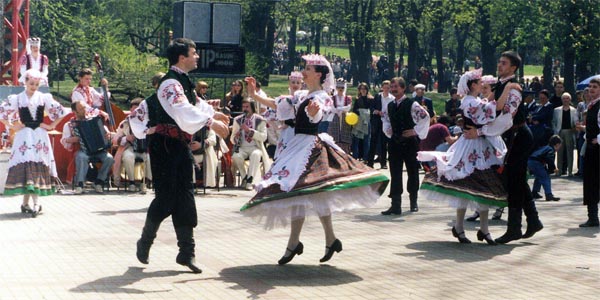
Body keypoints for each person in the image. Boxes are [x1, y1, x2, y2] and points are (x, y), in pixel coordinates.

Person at [240, 54, 389, 265]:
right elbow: (278, 103)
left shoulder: (321, 98)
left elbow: (318, 116)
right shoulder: (302, 94)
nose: (304, 71)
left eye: (308, 69)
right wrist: (254, 95)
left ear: (318, 74)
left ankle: (300, 242)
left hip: (310, 148)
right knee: (306, 194)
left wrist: (313, 114)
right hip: (295, 146)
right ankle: (323, 240)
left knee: (306, 192)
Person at [128, 38, 230, 273]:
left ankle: (186, 252)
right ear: (182, 57)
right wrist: (210, 122)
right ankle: (145, 241)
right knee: (166, 199)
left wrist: (214, 114)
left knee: (185, 195)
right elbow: (181, 109)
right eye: (194, 53)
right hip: (163, 145)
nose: (197, 57)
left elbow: (193, 103)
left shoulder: (181, 82)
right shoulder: (169, 83)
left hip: (180, 144)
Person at [418, 68, 519, 245]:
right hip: (471, 146)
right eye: (479, 82)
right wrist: (508, 89)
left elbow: (489, 102)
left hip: (481, 145)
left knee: (484, 187)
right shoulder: (469, 102)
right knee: (465, 186)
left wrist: (502, 89)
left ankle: (483, 229)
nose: (482, 84)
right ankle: (461, 227)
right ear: (472, 85)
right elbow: (495, 108)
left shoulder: (475, 100)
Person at [0, 69, 68, 217]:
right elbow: (2, 111)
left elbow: (62, 111)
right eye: (31, 83)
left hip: (39, 135)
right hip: (24, 136)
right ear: (25, 82)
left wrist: (51, 125)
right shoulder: (17, 98)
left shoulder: (44, 97)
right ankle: (29, 203)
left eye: (36, 84)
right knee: (27, 165)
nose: (34, 86)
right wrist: (12, 126)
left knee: (36, 164)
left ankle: (32, 203)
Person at [494, 51, 544, 243]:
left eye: (504, 63)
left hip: (518, 136)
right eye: (499, 62)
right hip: (511, 136)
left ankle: (514, 228)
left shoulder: (513, 88)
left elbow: (508, 115)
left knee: (514, 181)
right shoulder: (500, 84)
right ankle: (533, 220)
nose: (500, 65)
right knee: (517, 179)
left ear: (513, 67)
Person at [381, 77, 430, 215]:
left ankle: (413, 202)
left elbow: (425, 117)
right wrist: (388, 130)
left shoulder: (412, 104)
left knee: (412, 172)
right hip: (395, 143)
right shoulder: (390, 105)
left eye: (396, 86)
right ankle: (395, 204)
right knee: (395, 173)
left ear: (403, 88)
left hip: (409, 143)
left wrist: (415, 131)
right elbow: (385, 119)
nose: (393, 89)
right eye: (392, 86)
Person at [246, 71, 304, 160]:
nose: (295, 84)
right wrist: (254, 94)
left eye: (298, 83)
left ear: (301, 84)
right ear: (289, 84)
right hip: (288, 133)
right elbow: (271, 102)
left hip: (302, 133)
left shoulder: (305, 98)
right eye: (293, 82)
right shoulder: (284, 100)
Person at [61, 101, 115, 194]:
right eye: (81, 109)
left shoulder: (95, 120)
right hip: (82, 150)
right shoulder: (69, 125)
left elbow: (106, 132)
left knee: (109, 158)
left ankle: (99, 182)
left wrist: (108, 135)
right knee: (82, 157)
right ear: (75, 111)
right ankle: (80, 184)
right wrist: (72, 139)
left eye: (84, 108)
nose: (84, 110)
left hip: (99, 150)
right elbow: (64, 140)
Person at [111, 98, 151, 192]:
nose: (136, 112)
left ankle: (144, 182)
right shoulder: (125, 123)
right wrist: (126, 138)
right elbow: (115, 139)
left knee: (149, 158)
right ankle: (131, 182)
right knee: (128, 157)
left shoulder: (147, 122)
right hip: (130, 147)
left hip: (144, 149)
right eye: (134, 110)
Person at [230, 99, 271, 190]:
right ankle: (245, 177)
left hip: (256, 147)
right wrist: (236, 138)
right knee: (236, 156)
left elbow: (263, 137)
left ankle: (250, 180)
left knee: (255, 155)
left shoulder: (260, 120)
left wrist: (249, 131)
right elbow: (232, 139)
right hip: (242, 147)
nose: (245, 109)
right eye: (243, 107)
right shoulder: (237, 120)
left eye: (247, 107)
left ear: (252, 107)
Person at [576, 78, 600, 227]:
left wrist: (598, 139)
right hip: (591, 150)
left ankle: (593, 217)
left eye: (595, 87)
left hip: (597, 150)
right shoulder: (592, 105)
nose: (591, 89)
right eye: (590, 86)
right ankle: (593, 217)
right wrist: (586, 131)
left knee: (594, 183)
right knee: (591, 183)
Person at [367, 80, 394, 169]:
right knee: (373, 141)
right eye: (384, 87)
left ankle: (383, 163)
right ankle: (370, 162)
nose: (386, 89)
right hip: (377, 120)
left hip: (386, 121)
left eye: (388, 87)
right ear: (382, 88)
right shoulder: (378, 96)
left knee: (384, 142)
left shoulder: (392, 98)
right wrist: (377, 112)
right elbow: (371, 108)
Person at [551, 93, 578, 177]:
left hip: (570, 131)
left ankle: (570, 171)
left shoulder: (574, 110)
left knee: (570, 152)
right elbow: (554, 122)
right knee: (559, 152)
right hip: (560, 132)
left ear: (570, 100)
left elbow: (576, 121)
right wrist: (556, 131)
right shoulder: (556, 110)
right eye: (564, 98)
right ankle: (559, 170)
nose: (566, 100)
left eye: (567, 98)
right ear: (562, 100)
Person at [529, 135, 562, 201]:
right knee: (545, 177)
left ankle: (534, 192)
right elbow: (549, 159)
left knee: (539, 177)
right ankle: (548, 194)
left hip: (530, 160)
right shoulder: (551, 150)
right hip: (536, 162)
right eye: (560, 146)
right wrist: (553, 169)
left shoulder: (545, 147)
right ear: (557, 144)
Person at [326, 79, 353, 153]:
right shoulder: (333, 98)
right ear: (336, 88)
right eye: (339, 87)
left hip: (344, 118)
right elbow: (332, 108)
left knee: (344, 136)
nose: (340, 89)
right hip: (335, 118)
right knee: (334, 136)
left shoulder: (347, 98)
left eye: (342, 88)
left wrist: (339, 109)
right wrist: (339, 110)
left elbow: (348, 107)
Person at [351, 82, 373, 161]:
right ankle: (355, 157)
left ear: (367, 90)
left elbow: (371, 110)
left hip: (367, 121)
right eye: (361, 89)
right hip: (358, 120)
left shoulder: (371, 99)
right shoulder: (357, 99)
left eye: (364, 89)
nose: (363, 90)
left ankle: (366, 157)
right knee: (356, 139)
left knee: (366, 140)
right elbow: (354, 110)